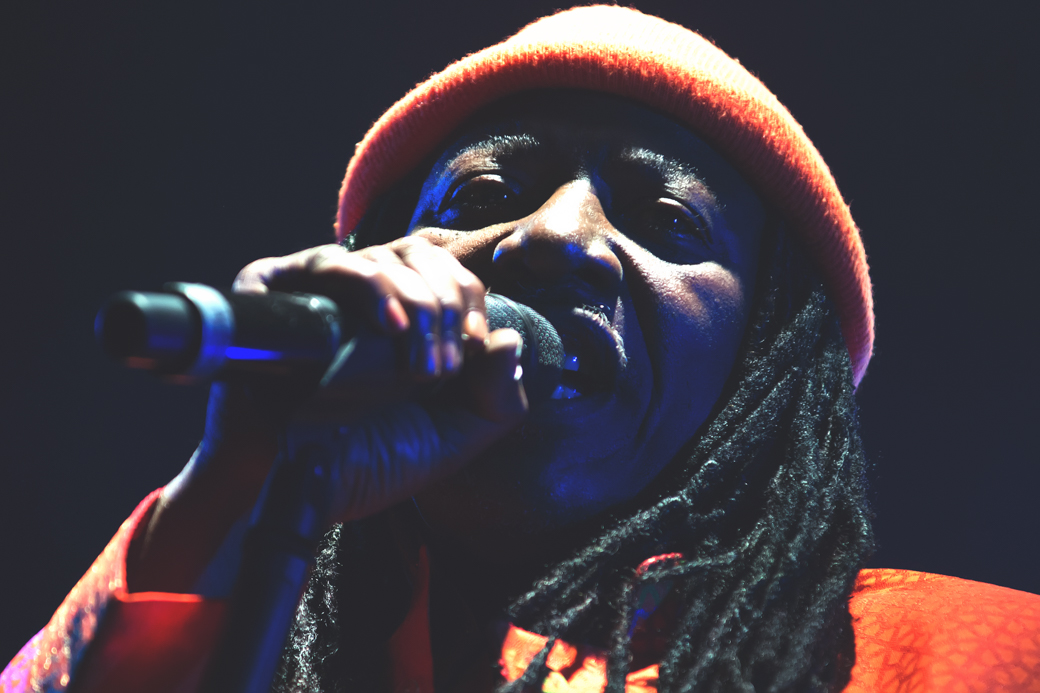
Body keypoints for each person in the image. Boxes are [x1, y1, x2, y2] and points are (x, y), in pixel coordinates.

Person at [3, 6, 1038, 693]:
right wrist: (238, 487)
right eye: (482, 197)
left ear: (763, 356)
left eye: (665, 221)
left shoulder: (977, 659)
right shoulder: (258, 636)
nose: (553, 239)